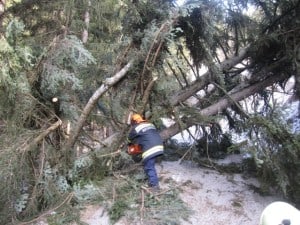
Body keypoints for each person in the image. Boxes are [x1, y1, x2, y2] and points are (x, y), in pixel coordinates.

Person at [127, 113, 164, 191]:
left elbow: (129, 138)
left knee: (149, 167)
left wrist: (129, 144)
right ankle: (152, 182)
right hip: (159, 146)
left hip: (150, 148)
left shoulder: (136, 127)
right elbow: (147, 135)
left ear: (134, 121)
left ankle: (155, 186)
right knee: (150, 164)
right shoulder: (150, 124)